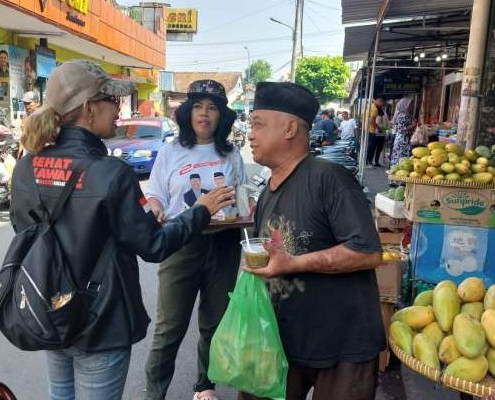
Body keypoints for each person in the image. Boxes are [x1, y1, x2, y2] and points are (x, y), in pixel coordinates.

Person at [9, 60, 235, 400]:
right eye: (112, 101)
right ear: (88, 108)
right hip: (100, 321)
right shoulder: (111, 173)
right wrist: (201, 211)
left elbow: (26, 230)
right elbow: (154, 245)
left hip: (49, 308)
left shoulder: (27, 166)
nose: (119, 109)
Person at [242, 82, 385, 400]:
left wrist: (295, 263)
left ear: (290, 128)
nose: (250, 134)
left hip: (342, 344)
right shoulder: (267, 192)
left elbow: (368, 251)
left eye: (258, 124)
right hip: (283, 339)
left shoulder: (329, 178)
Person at [144, 79, 247, 400]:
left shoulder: (231, 155)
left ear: (222, 116)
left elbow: (242, 200)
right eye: (198, 106)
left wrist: (247, 209)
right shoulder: (171, 151)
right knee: (168, 329)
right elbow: (155, 195)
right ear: (188, 111)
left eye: (213, 107)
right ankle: (154, 394)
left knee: (214, 324)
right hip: (181, 243)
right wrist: (157, 207)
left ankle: (205, 386)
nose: (204, 114)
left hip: (224, 245)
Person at [390, 97, 417, 166]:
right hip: (403, 140)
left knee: (402, 157)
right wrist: (413, 125)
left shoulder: (405, 114)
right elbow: (401, 129)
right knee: (402, 157)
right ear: (405, 105)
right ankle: (399, 172)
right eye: (410, 105)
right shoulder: (402, 115)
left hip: (403, 139)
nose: (412, 106)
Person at [366, 95, 387, 167]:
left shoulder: (374, 107)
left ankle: (371, 162)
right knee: (371, 147)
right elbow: (372, 120)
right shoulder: (374, 108)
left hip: (373, 130)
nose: (383, 105)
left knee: (375, 147)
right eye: (383, 103)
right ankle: (368, 162)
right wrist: (377, 128)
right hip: (373, 131)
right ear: (379, 100)